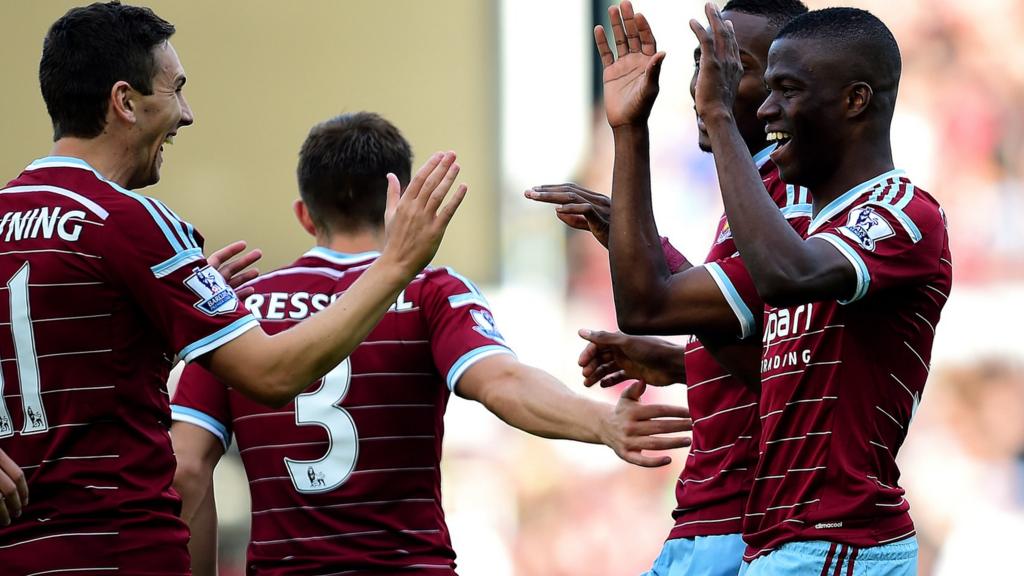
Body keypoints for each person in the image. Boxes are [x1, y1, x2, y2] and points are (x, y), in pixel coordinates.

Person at [0, 3, 467, 574]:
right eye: (176, 90)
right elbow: (272, 375)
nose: (188, 115)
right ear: (125, 102)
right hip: (120, 549)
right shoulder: (130, 222)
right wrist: (396, 264)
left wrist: (164, 327)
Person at [170, 112, 694, 575]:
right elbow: (502, 382)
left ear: (306, 214)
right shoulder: (430, 291)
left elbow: (188, 468)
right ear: (398, 200)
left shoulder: (238, 310)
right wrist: (598, 421)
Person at [527, 1, 808, 573]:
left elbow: (648, 303)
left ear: (790, 88)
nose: (705, 86)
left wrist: (629, 130)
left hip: (742, 527)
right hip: (713, 523)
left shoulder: (788, 198)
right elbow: (770, 350)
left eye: (732, 68)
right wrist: (684, 363)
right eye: (702, 63)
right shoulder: (759, 193)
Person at [690, 4, 951, 574]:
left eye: (787, 89)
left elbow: (787, 279)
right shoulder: (817, 228)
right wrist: (670, 361)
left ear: (855, 100)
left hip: (840, 540)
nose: (766, 108)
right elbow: (779, 363)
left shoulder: (903, 215)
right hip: (782, 542)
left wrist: (718, 116)